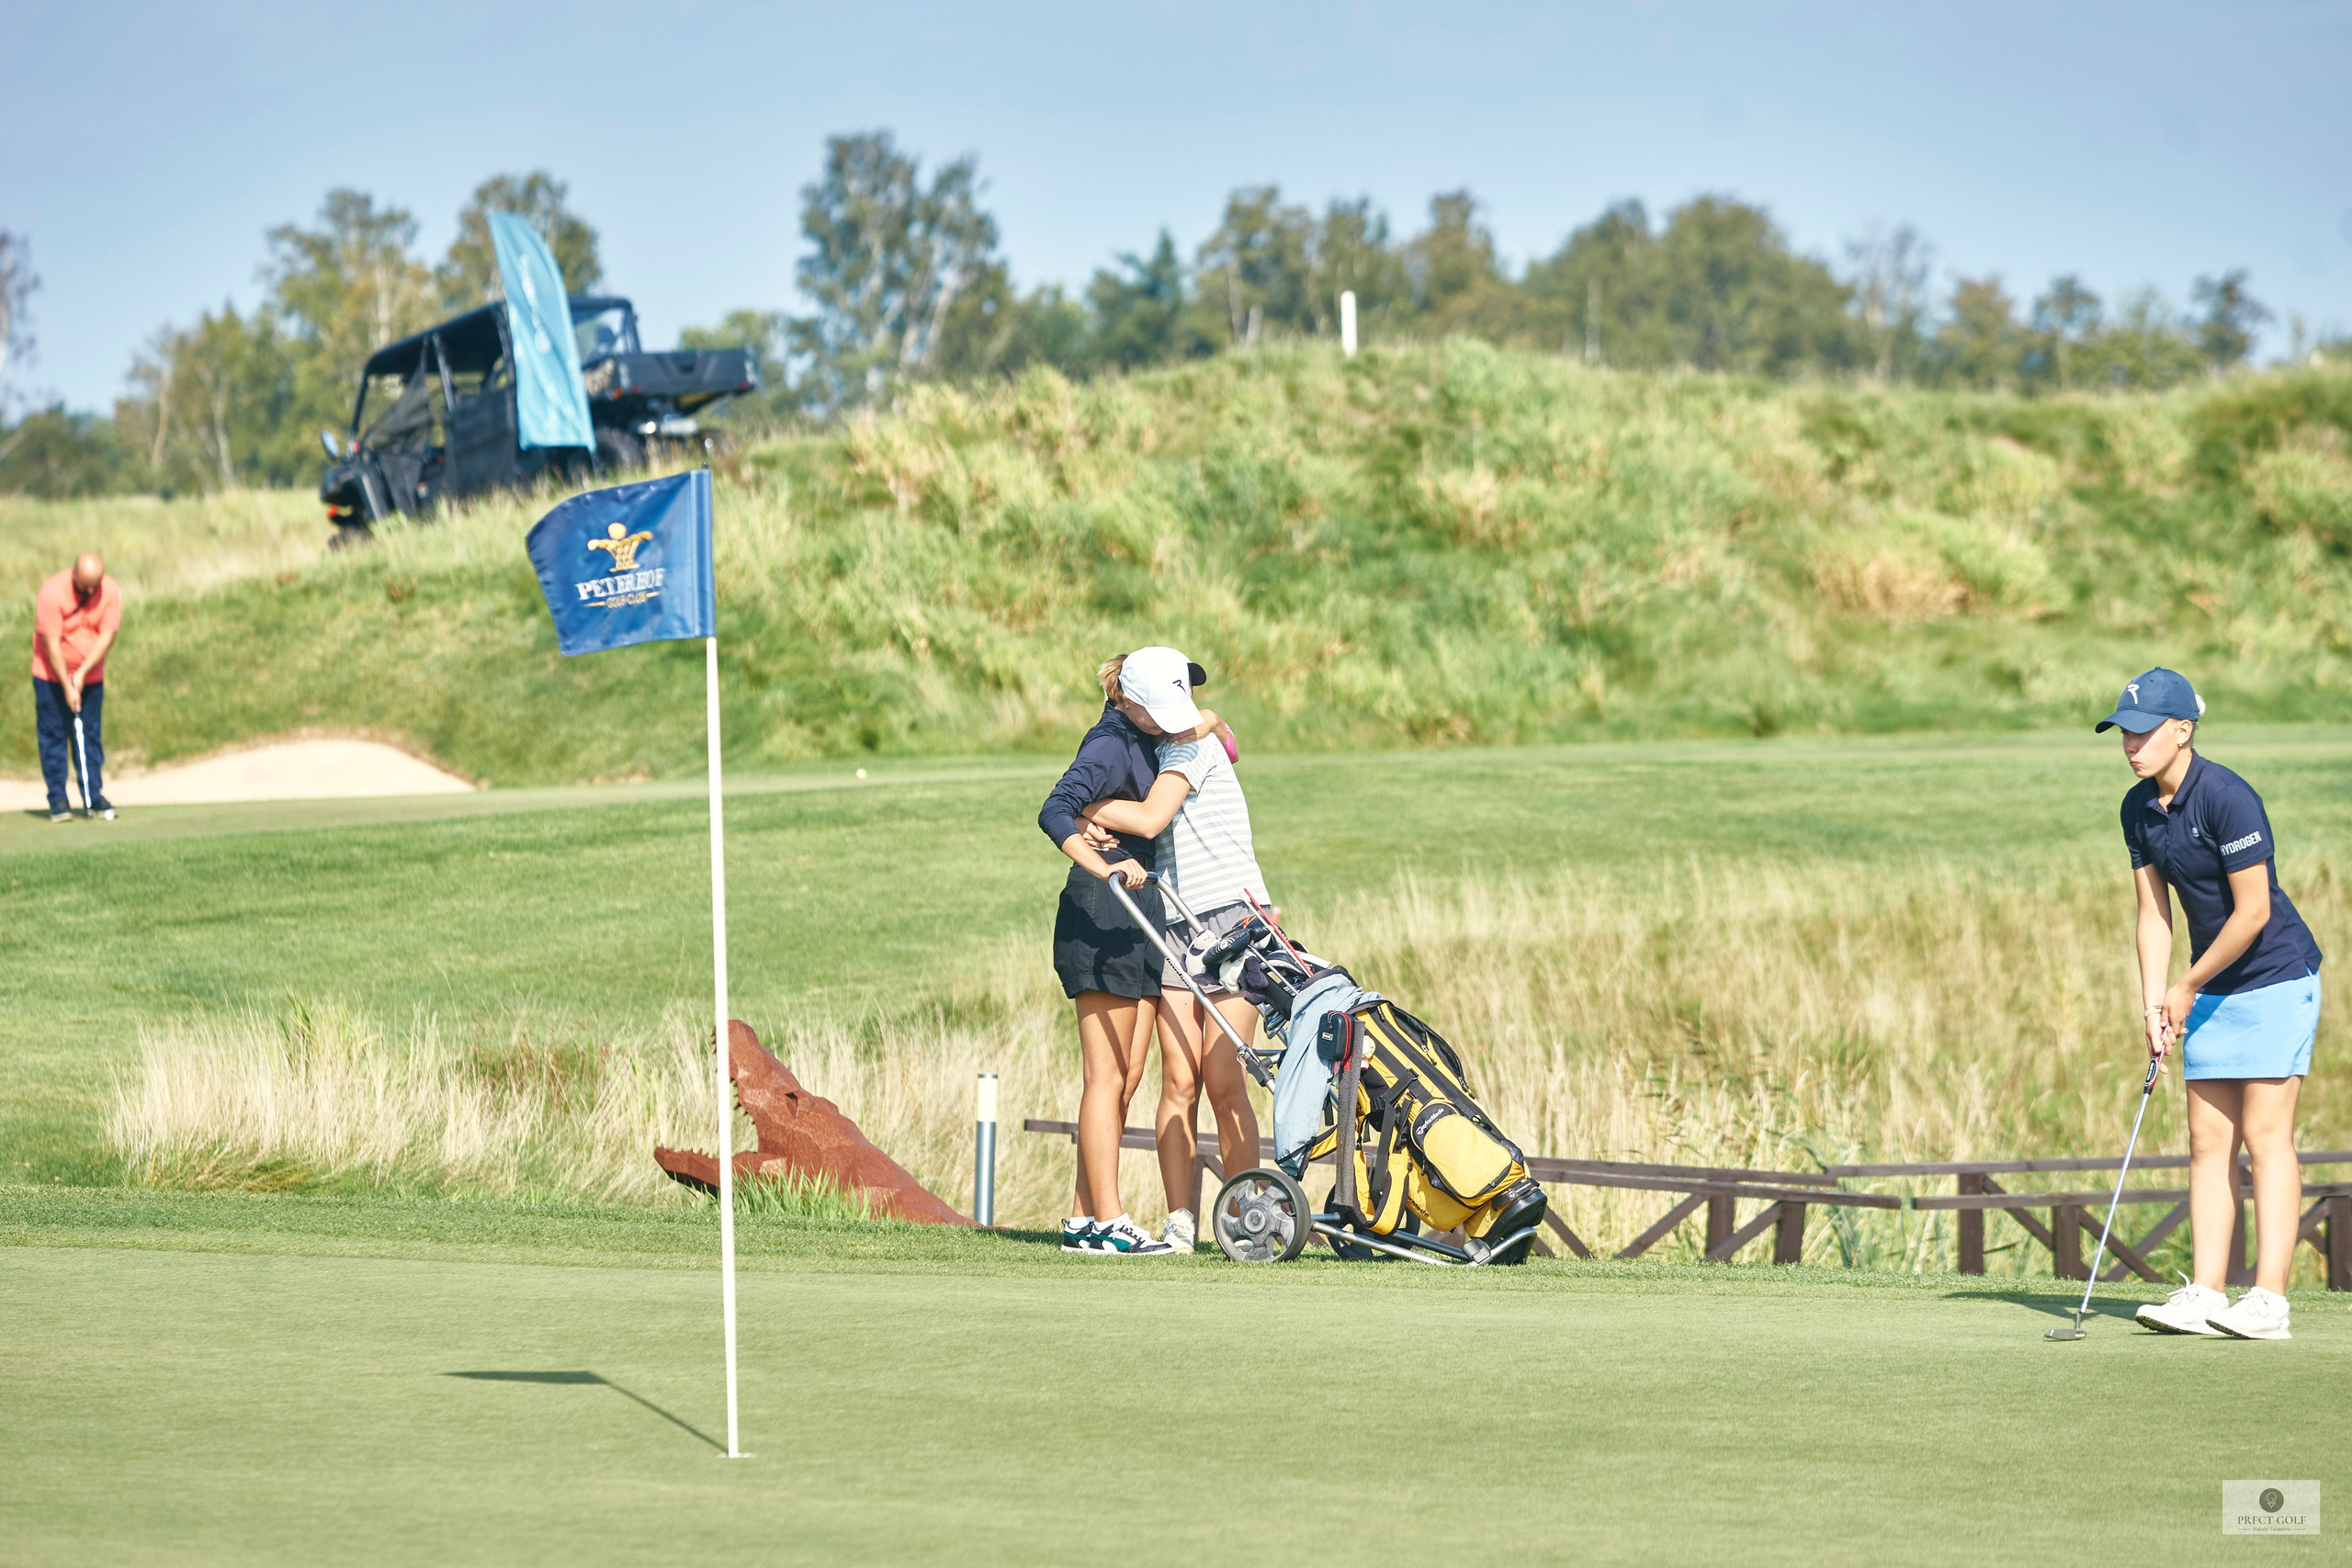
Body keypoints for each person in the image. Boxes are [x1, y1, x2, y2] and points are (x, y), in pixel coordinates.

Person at [2103, 670, 2323, 1339]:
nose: (2131, 744)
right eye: (2123, 732)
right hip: (2210, 985)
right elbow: (2153, 915)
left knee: (2265, 1137)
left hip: (2276, 978)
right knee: (2207, 1142)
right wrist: (2152, 1003)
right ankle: (2205, 1291)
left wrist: (2187, 985)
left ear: (2182, 730)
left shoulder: (2227, 796)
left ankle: (2269, 1301)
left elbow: (2254, 910)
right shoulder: (2137, 808)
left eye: (2143, 731)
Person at [1077, 646, 1269, 1255]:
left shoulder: (1189, 742)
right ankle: (1180, 1219)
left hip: (1236, 920)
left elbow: (1153, 817)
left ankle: (1249, 1212)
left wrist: (1086, 808)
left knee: (1222, 1075)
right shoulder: (1158, 743)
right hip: (1179, 925)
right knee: (1178, 1081)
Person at [1036, 652, 1190, 1257]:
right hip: (1101, 915)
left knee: (1126, 1079)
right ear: (1129, 701)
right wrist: (1105, 864)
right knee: (1105, 1076)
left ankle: (1082, 1219)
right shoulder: (1108, 742)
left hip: (1141, 919)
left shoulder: (1152, 736)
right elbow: (1053, 808)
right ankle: (1108, 1218)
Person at [32, 553, 122, 823]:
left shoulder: (110, 591)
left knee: (90, 736)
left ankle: (93, 796)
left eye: (96, 585)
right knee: (53, 736)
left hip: (91, 676)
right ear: (74, 575)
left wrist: (81, 674)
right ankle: (58, 799)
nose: (92, 592)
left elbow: (107, 637)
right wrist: (68, 685)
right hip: (49, 676)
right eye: (86, 587)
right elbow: (51, 644)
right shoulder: (52, 592)